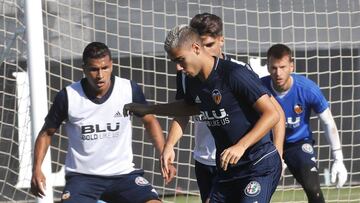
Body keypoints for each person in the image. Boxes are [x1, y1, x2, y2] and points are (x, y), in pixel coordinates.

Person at [125, 13, 285, 203]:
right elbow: (189, 108)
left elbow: (273, 113)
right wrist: (150, 110)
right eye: (175, 62)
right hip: (227, 169)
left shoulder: (234, 73)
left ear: (195, 48)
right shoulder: (191, 80)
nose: (178, 67)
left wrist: (242, 146)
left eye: (180, 60)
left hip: (257, 164)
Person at [30, 42, 175, 203]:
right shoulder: (68, 96)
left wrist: (164, 154)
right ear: (84, 69)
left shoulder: (128, 89)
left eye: (104, 68)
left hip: (123, 176)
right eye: (94, 69)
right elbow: (46, 133)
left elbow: (150, 120)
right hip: (83, 179)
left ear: (111, 66)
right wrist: (37, 169)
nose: (100, 75)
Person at [261, 44, 348, 203]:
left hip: (298, 144)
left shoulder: (308, 89)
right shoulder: (259, 88)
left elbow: (328, 122)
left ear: (291, 66)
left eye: (282, 67)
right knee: (258, 192)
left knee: (313, 189)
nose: (278, 73)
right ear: (267, 67)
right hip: (268, 145)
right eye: (274, 68)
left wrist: (339, 159)